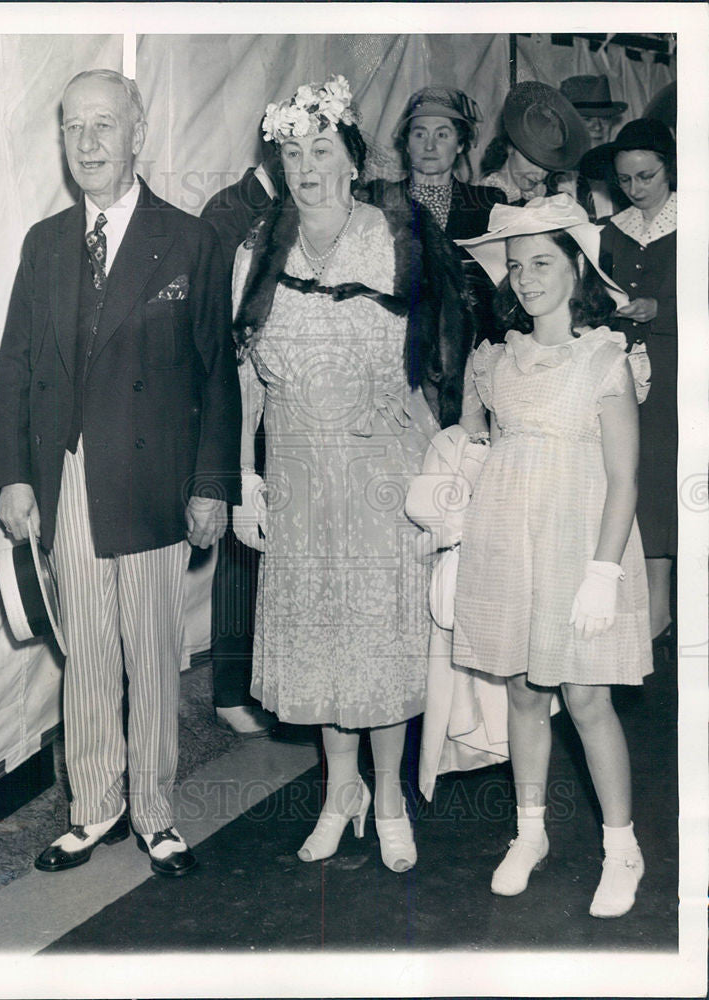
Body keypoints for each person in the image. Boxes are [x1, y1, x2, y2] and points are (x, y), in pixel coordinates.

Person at [0, 70, 241, 878]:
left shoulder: (192, 241)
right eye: (73, 127)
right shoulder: (44, 242)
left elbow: (217, 376)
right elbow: (16, 366)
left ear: (138, 133)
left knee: (150, 652)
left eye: (104, 125)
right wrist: (15, 476)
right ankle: (92, 809)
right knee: (88, 654)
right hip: (66, 479)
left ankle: (156, 813)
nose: (88, 142)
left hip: (151, 483)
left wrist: (211, 485)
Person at [231, 75, 475, 872]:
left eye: (321, 149)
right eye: (291, 152)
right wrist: (243, 476)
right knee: (320, 644)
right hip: (297, 471)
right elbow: (240, 377)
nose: (306, 165)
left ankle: (391, 799)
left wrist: (447, 450)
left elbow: (454, 345)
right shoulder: (257, 252)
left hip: (380, 471)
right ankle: (342, 795)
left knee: (377, 640)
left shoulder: (397, 236)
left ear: (350, 157)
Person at [453, 194, 652, 918]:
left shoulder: (604, 357)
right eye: (515, 266)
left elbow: (624, 477)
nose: (527, 277)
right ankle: (528, 831)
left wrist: (602, 574)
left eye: (541, 262)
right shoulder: (495, 359)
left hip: (579, 546)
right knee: (522, 693)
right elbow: (474, 447)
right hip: (508, 541)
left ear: (575, 266)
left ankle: (621, 846)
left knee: (587, 697)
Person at [580, 119, 677, 647]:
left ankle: (661, 606)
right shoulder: (611, 230)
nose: (636, 189)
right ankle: (646, 603)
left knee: (664, 476)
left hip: (678, 368)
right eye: (625, 179)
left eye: (647, 176)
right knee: (631, 474)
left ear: (671, 168)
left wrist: (661, 307)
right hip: (625, 367)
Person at [201, 123, 284, 737]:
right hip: (236, 388)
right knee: (239, 539)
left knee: (281, 540)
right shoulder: (230, 208)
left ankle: (275, 677)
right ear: (269, 149)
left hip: (290, 389)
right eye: (291, 148)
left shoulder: (307, 204)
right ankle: (231, 686)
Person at [362, 86, 506, 344]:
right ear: (406, 144)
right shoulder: (378, 199)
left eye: (442, 134)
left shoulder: (487, 204)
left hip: (467, 345)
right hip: (393, 339)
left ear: (460, 144)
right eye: (419, 134)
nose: (430, 145)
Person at [479, 82, 589, 206]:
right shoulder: (484, 198)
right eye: (533, 161)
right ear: (510, 147)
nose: (540, 175)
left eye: (547, 167)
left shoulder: (541, 196)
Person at [557, 75, 630, 219]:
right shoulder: (547, 176)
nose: (598, 126)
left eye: (604, 119)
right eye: (587, 119)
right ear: (566, 125)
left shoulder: (623, 175)